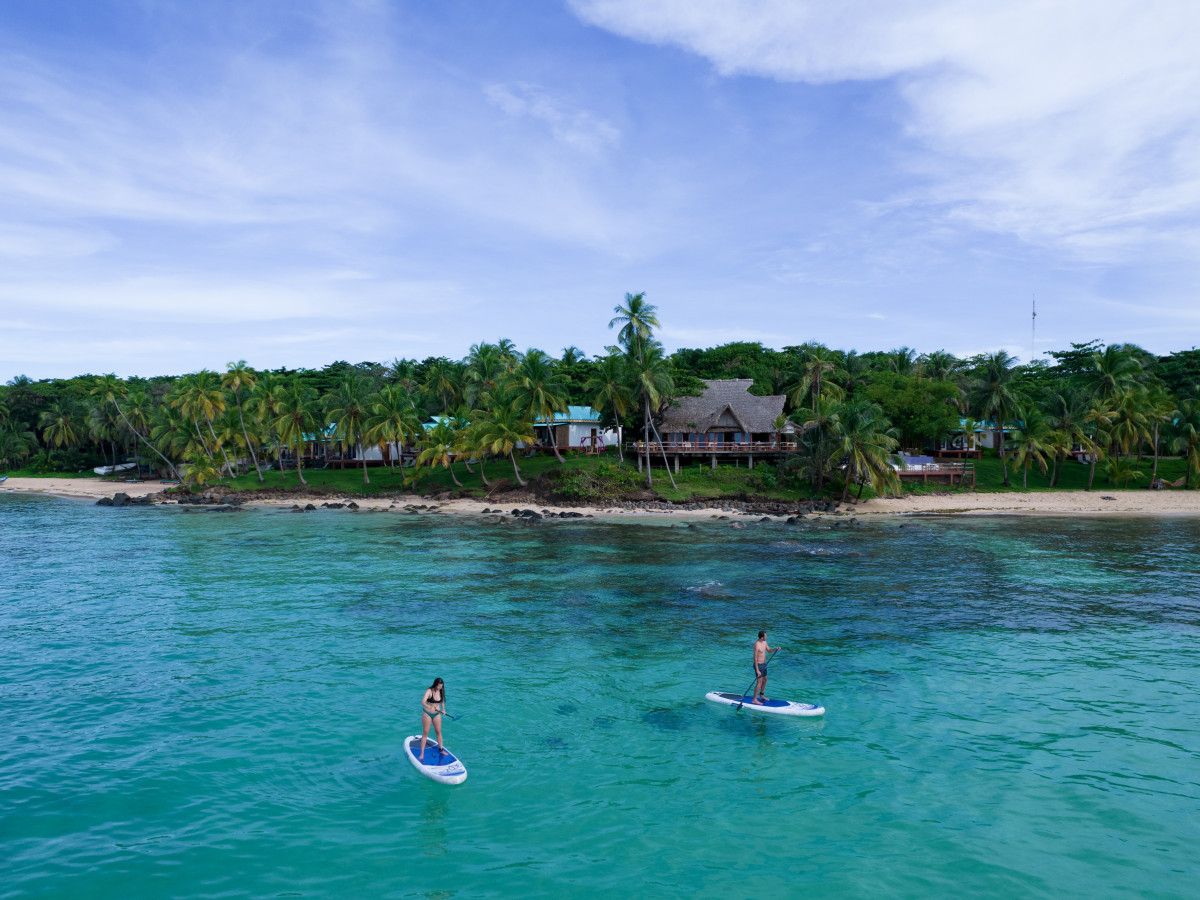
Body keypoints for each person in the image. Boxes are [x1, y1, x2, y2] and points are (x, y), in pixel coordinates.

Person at [418, 677, 447, 759]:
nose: (440, 687)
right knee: (425, 733)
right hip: (427, 713)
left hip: (437, 713)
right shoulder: (429, 691)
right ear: (435, 685)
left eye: (441, 686)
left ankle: (441, 749)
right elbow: (423, 702)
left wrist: (443, 710)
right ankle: (422, 754)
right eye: (439, 686)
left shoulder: (441, 690)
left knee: (438, 731)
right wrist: (429, 707)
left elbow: (442, 701)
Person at [752, 631, 782, 704]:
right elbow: (755, 658)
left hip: (764, 664)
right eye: (765, 636)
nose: (766, 637)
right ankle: (754, 699)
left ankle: (761, 695)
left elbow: (769, 650)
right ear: (762, 637)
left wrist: (775, 649)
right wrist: (757, 670)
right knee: (759, 682)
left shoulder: (765, 642)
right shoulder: (756, 645)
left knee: (765, 679)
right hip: (758, 665)